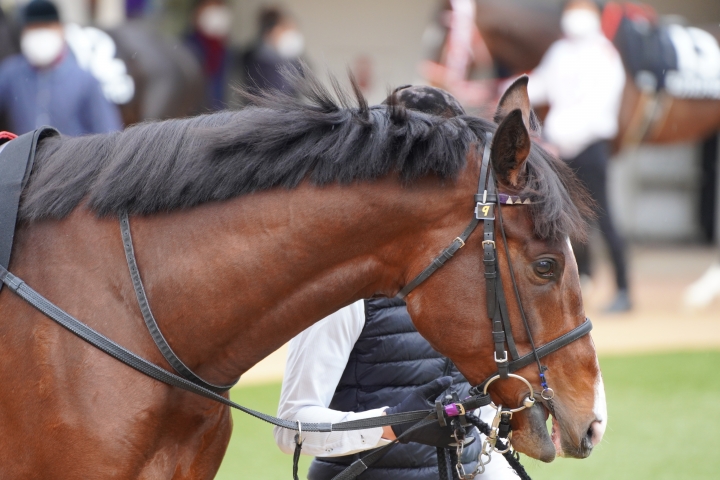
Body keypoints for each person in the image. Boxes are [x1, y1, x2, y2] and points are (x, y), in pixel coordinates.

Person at [274, 86, 518, 480]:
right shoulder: (343, 284)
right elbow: (292, 428)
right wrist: (393, 423)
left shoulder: (476, 276)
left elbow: (482, 421)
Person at [527, 0, 630, 312]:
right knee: (568, 218)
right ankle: (582, 280)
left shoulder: (606, 55)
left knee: (603, 217)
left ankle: (624, 290)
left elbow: (599, 110)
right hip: (561, 149)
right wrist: (505, 89)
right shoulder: (560, 52)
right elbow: (539, 85)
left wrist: (561, 139)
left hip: (589, 148)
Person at [0, 0, 121, 136]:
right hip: (24, 156)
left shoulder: (85, 80)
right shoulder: (10, 74)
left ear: (61, 30)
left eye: (46, 27)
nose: (40, 35)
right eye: (33, 28)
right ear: (23, 33)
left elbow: (109, 134)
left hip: (74, 156)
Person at [239, 6, 304, 95]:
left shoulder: (293, 59)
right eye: (285, 29)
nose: (290, 34)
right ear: (270, 32)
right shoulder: (258, 61)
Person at [185, 0, 234, 111]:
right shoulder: (188, 46)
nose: (214, 14)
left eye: (217, 7)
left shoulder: (225, 50)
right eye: (209, 7)